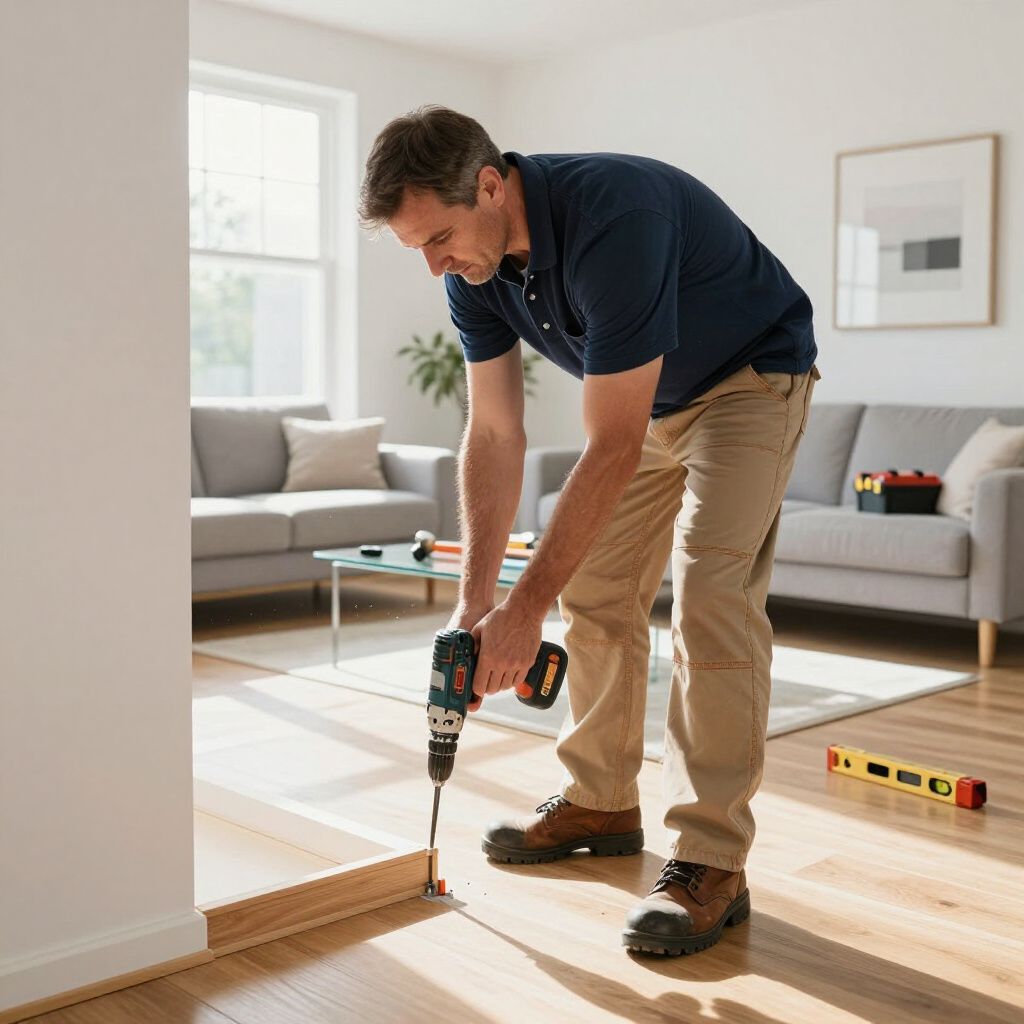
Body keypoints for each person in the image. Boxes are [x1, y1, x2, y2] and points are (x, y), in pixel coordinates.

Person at [358, 106, 819, 957]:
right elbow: (493, 433)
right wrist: (477, 601)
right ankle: (601, 800)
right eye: (416, 249)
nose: (435, 268)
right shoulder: (473, 269)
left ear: (491, 185)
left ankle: (711, 860)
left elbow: (610, 441)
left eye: (441, 238)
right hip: (651, 403)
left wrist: (524, 612)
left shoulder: (617, 217)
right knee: (596, 586)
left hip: (750, 378)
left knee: (712, 594)